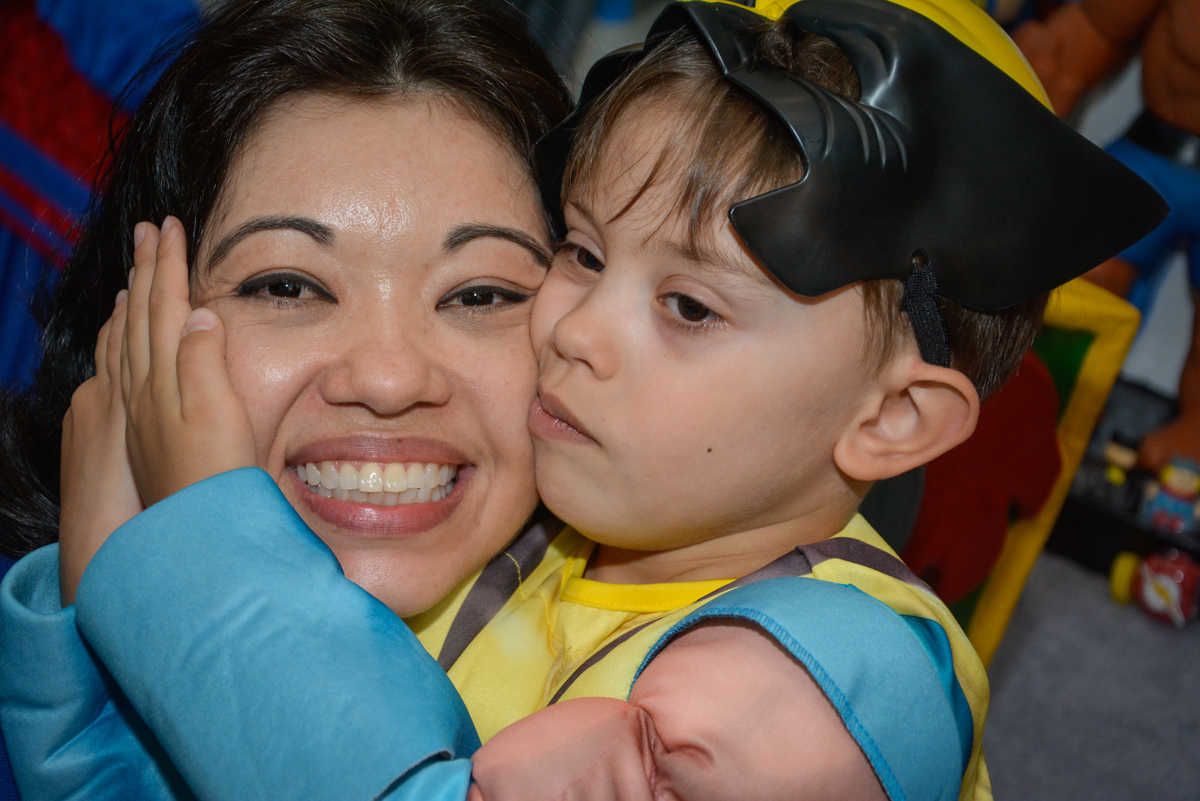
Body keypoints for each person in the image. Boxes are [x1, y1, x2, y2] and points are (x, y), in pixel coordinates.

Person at [22, 1, 1166, 800]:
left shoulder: (819, 688)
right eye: (577, 253)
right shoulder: (568, 545)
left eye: (688, 308)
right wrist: (99, 597)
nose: (570, 328)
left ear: (893, 422)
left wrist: (200, 563)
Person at [0, 1, 571, 798]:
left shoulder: (707, 684)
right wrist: (94, 650)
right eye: (286, 285)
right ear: (134, 330)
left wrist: (192, 572)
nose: (388, 378)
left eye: (478, 294)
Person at [1014, 0, 1200, 473]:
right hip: (1153, 155)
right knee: (1086, 275)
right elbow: (1093, 33)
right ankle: (1040, 402)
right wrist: (1039, 85)